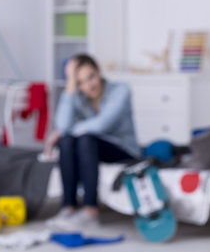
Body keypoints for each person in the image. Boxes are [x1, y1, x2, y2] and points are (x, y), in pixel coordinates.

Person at [44, 54, 139, 230]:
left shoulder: (121, 90)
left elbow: (102, 124)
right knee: (66, 141)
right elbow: (62, 125)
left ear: (98, 72)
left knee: (84, 138)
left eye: (91, 77)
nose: (89, 85)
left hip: (123, 150)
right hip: (94, 148)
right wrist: (70, 85)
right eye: (80, 82)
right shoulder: (79, 98)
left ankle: (90, 210)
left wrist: (65, 131)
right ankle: (68, 207)